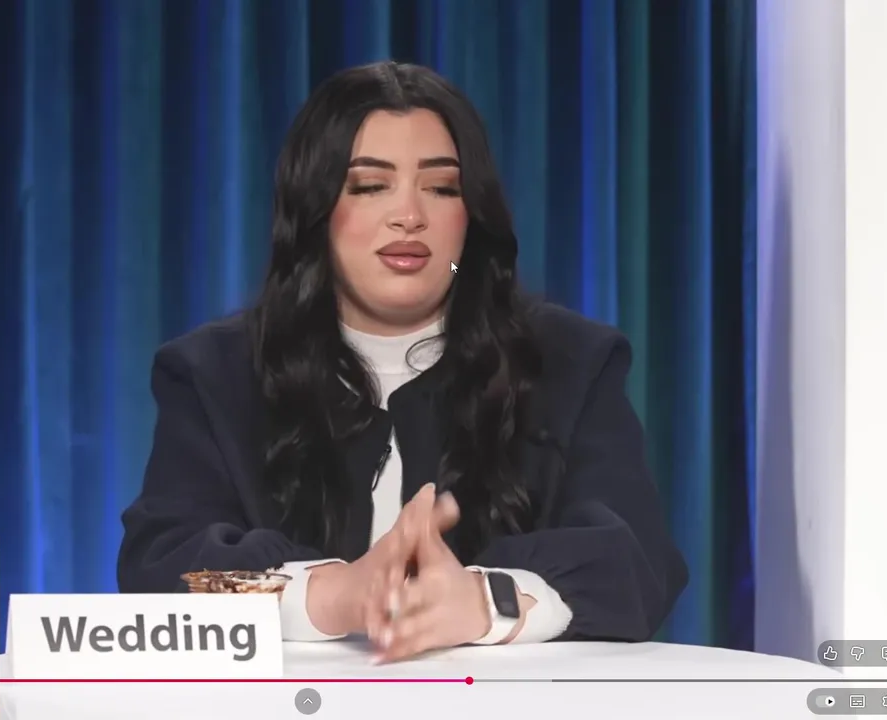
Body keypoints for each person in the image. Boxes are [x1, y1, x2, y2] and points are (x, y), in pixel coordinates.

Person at [118, 61, 689, 662]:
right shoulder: (214, 373)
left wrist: (485, 601)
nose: (410, 215)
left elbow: (637, 561)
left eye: (442, 188)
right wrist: (335, 595)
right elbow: (160, 563)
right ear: (315, 210)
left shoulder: (571, 363)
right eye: (370, 186)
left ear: (471, 219)